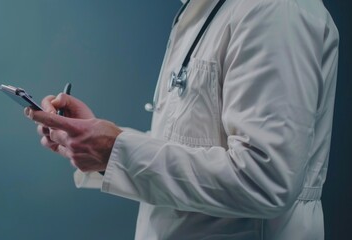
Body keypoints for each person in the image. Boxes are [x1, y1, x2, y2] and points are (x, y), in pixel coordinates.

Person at [24, 0, 339, 239]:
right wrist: (99, 145)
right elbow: (188, 144)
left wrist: (114, 148)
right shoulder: (203, 11)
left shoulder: (274, 11)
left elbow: (265, 181)